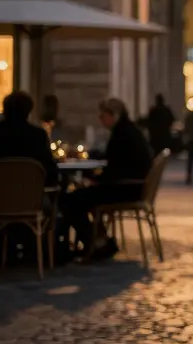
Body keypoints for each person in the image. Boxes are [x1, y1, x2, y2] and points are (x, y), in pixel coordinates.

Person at [61, 98, 153, 260]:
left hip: (124, 188)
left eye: (103, 116)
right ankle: (100, 240)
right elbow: (115, 160)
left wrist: (90, 176)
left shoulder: (122, 134)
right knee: (81, 196)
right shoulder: (128, 131)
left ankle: (94, 243)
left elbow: (114, 169)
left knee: (72, 200)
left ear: (114, 115)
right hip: (132, 187)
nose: (101, 120)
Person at [0, 91, 59, 186]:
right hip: (31, 197)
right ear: (28, 111)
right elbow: (50, 172)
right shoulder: (38, 135)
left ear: (5, 109)